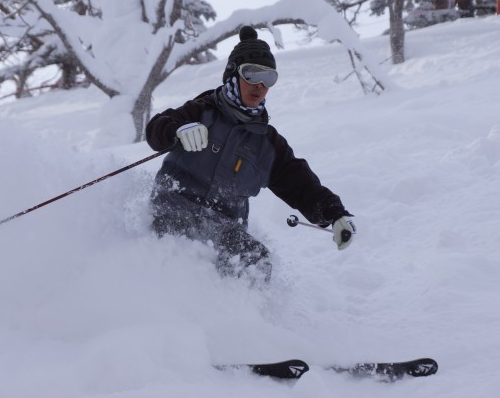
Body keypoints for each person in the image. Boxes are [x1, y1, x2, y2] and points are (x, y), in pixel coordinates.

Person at [145, 26, 355, 282]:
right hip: (172, 209)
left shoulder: (266, 143)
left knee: (254, 261)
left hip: (222, 226)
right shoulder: (201, 112)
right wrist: (176, 130)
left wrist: (335, 214)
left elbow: (299, 183)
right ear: (233, 75)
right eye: (252, 74)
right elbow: (156, 129)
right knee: (195, 251)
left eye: (269, 78)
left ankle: (238, 319)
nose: (260, 85)